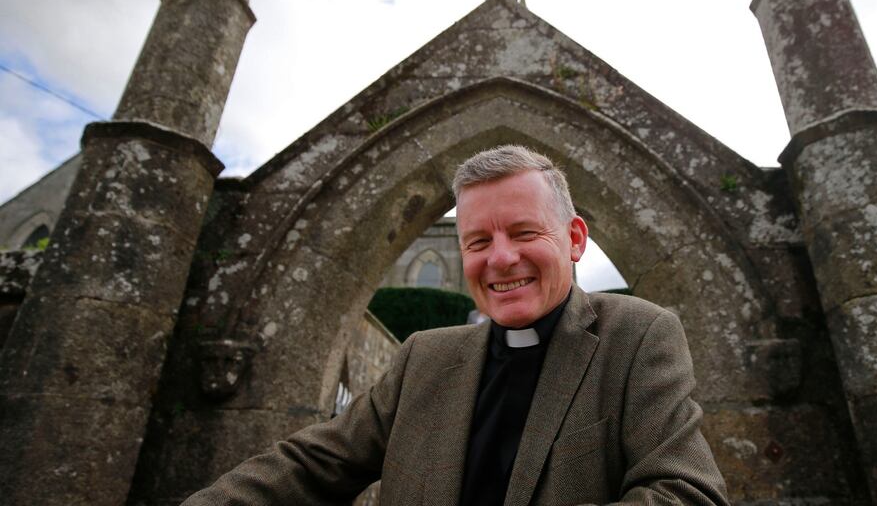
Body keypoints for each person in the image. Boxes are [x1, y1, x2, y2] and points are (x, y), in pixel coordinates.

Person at [183, 145, 730, 505]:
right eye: (477, 242)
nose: (499, 259)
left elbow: (687, 492)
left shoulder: (636, 336)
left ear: (575, 238)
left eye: (523, 233)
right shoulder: (425, 355)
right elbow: (310, 465)